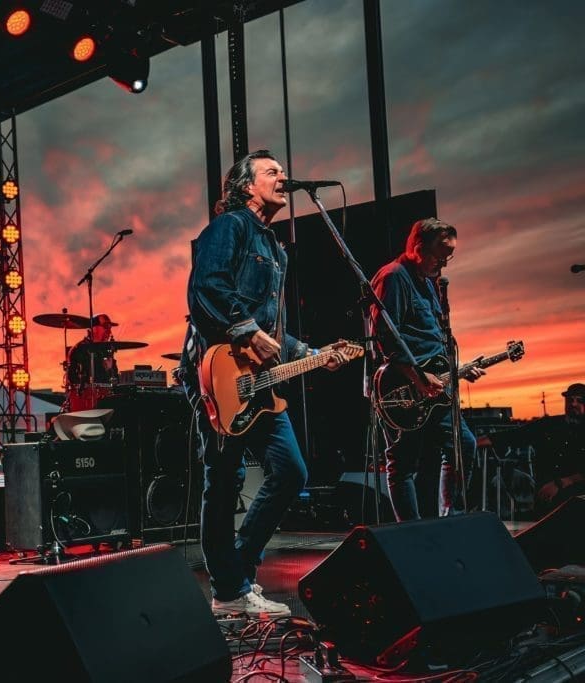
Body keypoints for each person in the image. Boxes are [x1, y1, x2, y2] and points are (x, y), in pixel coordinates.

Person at [179, 150, 346, 619]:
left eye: (282, 171)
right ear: (246, 185)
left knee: (291, 470)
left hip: (258, 380)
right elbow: (205, 289)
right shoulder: (230, 227)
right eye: (272, 172)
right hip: (216, 372)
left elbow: (275, 333)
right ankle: (230, 591)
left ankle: (237, 572)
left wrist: (311, 355)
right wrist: (247, 331)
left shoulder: (275, 249)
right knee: (224, 478)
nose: (283, 177)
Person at [370, 218, 483, 521]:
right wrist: (417, 376)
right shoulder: (393, 277)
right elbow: (385, 336)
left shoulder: (430, 284)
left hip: (436, 387)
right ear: (419, 248)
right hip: (404, 386)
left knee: (463, 446)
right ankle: (410, 531)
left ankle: (451, 518)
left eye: (449, 256)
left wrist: (457, 370)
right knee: (403, 463)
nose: (444, 263)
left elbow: (432, 340)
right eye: (439, 255)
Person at [481, 382, 585, 514]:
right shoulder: (549, 425)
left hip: (579, 500)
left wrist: (562, 483)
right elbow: (514, 436)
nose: (573, 404)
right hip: (547, 502)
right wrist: (473, 443)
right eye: (570, 400)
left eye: (580, 401)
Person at [65, 314, 120, 411]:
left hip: (106, 399)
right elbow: (73, 379)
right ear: (93, 328)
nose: (109, 332)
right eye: (106, 327)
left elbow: (115, 379)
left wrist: (110, 369)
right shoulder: (80, 349)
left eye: (110, 328)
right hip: (85, 400)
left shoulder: (106, 351)